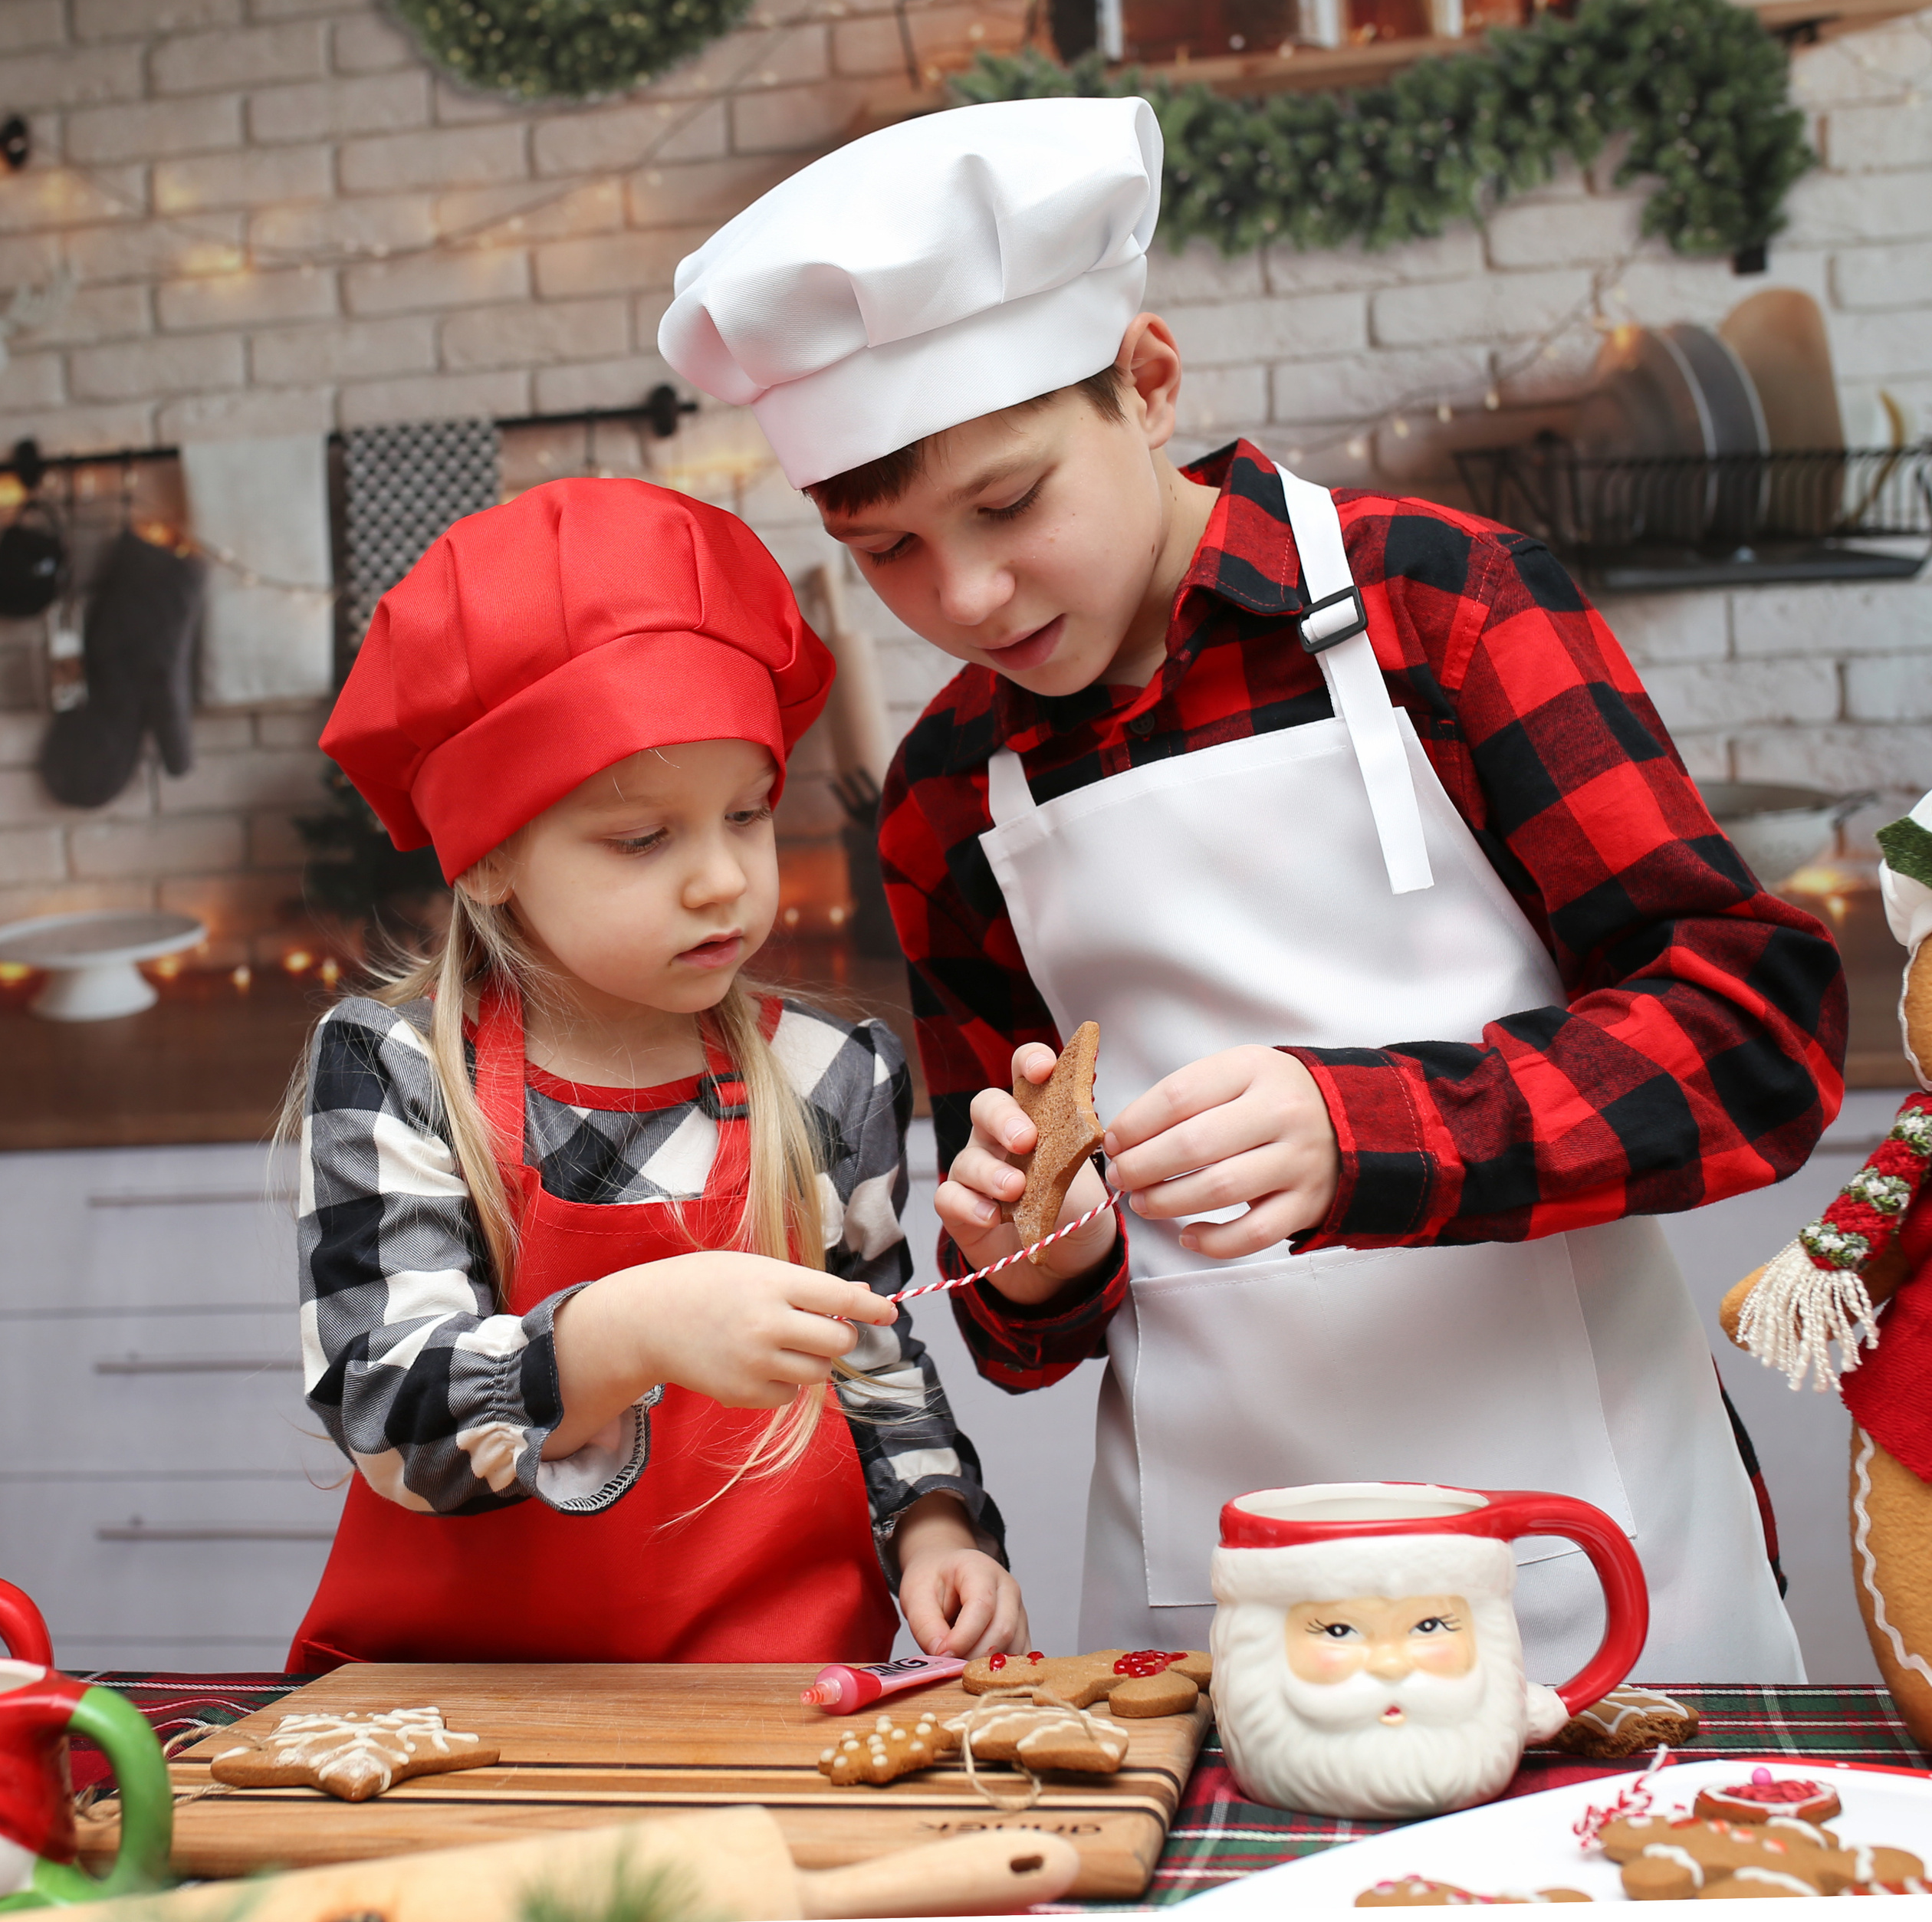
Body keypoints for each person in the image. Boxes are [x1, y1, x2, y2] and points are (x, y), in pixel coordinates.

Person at [658, 97, 1846, 1680]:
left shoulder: (1442, 607)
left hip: (1597, 1542)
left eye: (1008, 504)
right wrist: (1049, 1252)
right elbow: (1022, 1332)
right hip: (1215, 1588)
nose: (967, 596)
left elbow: (1757, 1041)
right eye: (886, 550)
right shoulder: (947, 792)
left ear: (1146, 384)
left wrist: (1360, 1129)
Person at [283, 478, 1024, 1671]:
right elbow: (390, 1419)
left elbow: (880, 1368)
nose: (723, 879)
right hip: (462, 1715)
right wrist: (627, 1333)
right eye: (644, 838)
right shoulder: (402, 1069)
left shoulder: (832, 1075)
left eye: (749, 814)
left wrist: (938, 1535)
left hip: (776, 1701)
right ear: (488, 859)